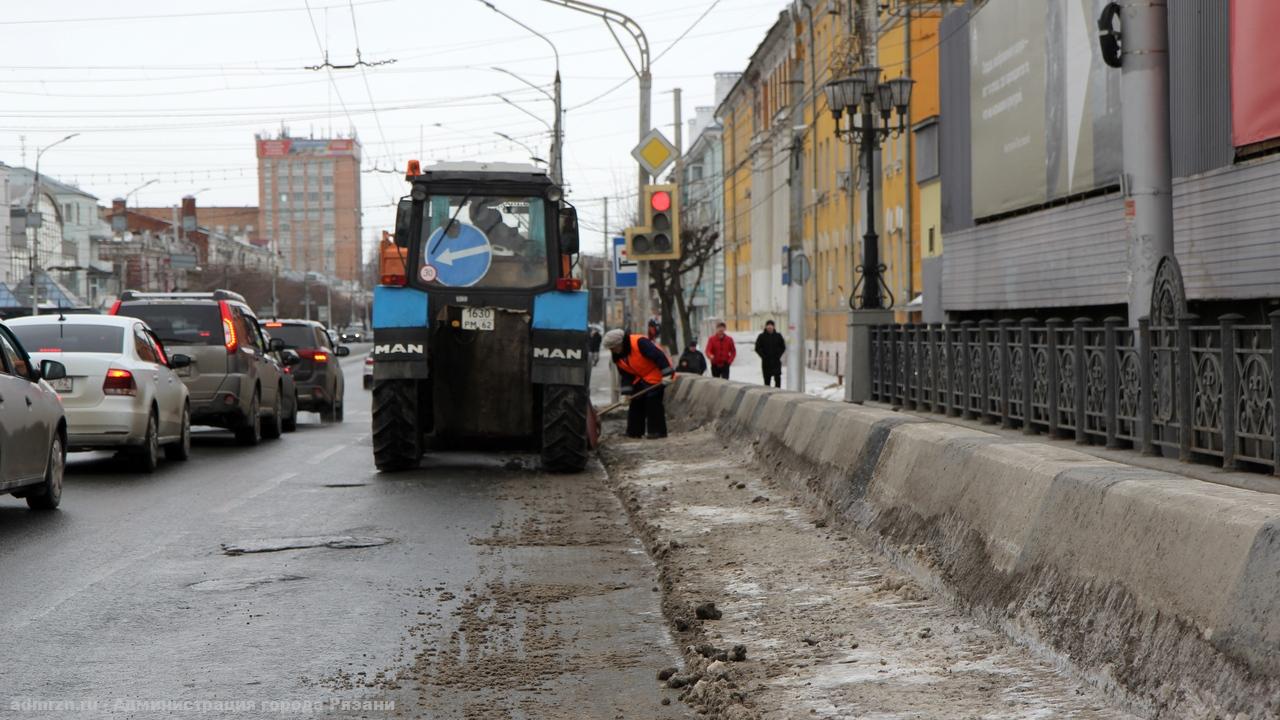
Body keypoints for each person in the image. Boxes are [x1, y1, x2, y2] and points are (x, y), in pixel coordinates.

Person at [603, 328, 673, 439]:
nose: (613, 350)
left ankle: (657, 431)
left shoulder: (639, 342)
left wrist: (667, 374)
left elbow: (658, 356)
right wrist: (626, 394)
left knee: (652, 399)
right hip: (641, 377)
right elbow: (626, 375)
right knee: (636, 400)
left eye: (614, 347)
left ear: (621, 343)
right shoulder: (618, 355)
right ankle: (634, 432)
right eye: (611, 349)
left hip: (657, 373)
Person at [755, 320, 786, 388]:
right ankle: (767, 395)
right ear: (766, 327)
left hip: (776, 361)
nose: (769, 327)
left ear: (773, 327)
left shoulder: (778, 336)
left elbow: (783, 347)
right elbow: (757, 348)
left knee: (777, 379)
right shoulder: (761, 336)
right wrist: (763, 356)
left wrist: (778, 355)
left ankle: (778, 393)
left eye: (771, 326)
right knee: (767, 381)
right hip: (766, 362)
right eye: (768, 326)